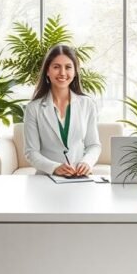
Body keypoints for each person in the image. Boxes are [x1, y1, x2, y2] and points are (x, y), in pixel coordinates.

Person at [23, 44, 101, 177]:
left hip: (78, 177)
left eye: (68, 67)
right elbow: (31, 152)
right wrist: (54, 167)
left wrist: (87, 162)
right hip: (47, 178)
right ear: (47, 71)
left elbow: (93, 145)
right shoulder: (33, 108)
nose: (62, 73)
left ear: (75, 72)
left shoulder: (87, 104)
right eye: (56, 67)